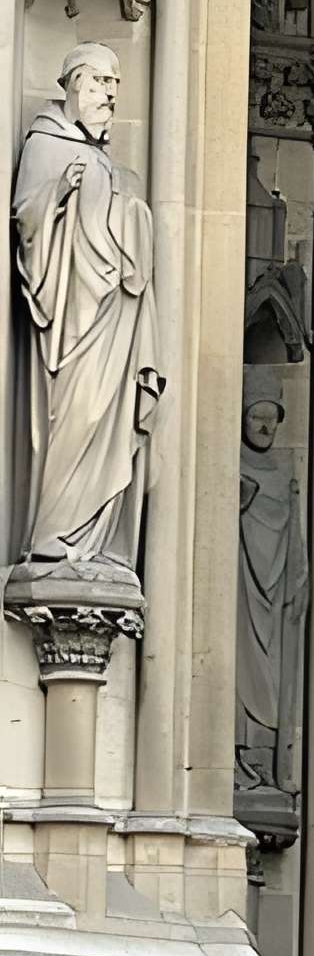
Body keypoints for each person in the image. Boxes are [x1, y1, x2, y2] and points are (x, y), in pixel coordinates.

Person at [13, 42, 163, 572]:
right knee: (73, 419)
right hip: (71, 324)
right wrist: (60, 190)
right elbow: (27, 220)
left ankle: (94, 543)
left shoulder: (102, 159)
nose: (111, 96)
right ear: (75, 83)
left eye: (116, 87)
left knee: (109, 424)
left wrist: (132, 208)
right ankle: (56, 538)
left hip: (114, 322)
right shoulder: (46, 145)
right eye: (101, 84)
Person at [235, 366, 308, 806]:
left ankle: (268, 762)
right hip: (242, 593)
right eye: (255, 416)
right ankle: (238, 759)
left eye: (271, 416)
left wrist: (300, 579)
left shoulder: (285, 474)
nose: (264, 425)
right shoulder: (232, 466)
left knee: (275, 674)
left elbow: (294, 535)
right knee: (242, 668)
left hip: (277, 594)